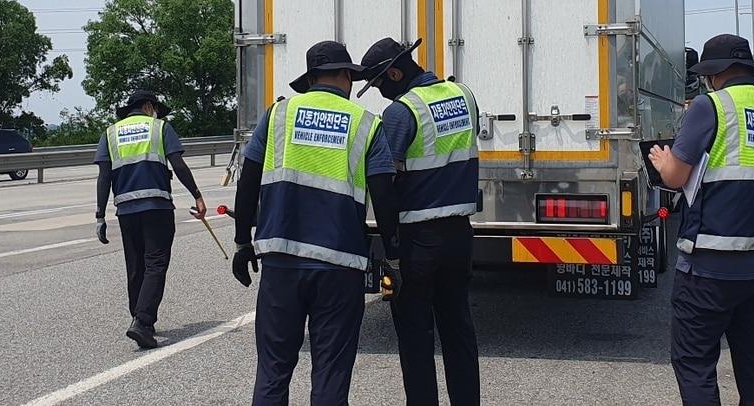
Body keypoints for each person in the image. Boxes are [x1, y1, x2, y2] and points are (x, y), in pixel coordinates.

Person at [231, 41, 401, 406]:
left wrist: (242, 241)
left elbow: (247, 183)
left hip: (281, 262)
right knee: (330, 375)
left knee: (273, 372)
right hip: (340, 267)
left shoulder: (278, 114)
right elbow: (384, 199)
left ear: (310, 79)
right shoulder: (365, 124)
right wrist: (395, 257)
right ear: (344, 75)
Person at [646, 34, 754, 406]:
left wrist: (664, 162)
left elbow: (678, 177)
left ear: (717, 74)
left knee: (694, 361)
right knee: (752, 357)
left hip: (711, 262)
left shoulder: (710, 106)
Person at [358, 37, 481, 406]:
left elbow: (385, 180)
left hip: (417, 240)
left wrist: (391, 248)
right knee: (459, 329)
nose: (381, 94)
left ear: (396, 73)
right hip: (460, 234)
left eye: (381, 84)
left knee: (414, 335)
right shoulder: (464, 95)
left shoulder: (401, 112)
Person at [93, 89, 207, 350]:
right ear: (147, 106)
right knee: (155, 264)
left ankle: (139, 316)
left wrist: (100, 215)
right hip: (157, 206)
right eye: (155, 107)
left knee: (135, 266)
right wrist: (197, 195)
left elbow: (104, 177)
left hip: (126, 210)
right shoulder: (160, 128)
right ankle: (142, 322)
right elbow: (177, 165)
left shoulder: (110, 134)